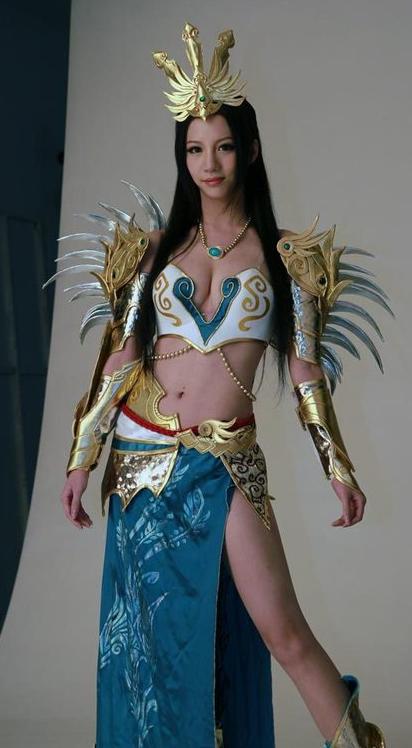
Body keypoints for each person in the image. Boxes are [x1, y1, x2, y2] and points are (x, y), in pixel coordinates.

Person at [54, 22, 388, 748]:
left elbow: (305, 374)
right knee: (152, 657)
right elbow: (119, 361)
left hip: (228, 463)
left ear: (251, 151)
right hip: (143, 464)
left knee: (285, 632)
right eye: (194, 149)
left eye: (224, 146)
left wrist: (339, 469)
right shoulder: (151, 252)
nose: (210, 163)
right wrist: (82, 460)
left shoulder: (287, 259)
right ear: (182, 157)